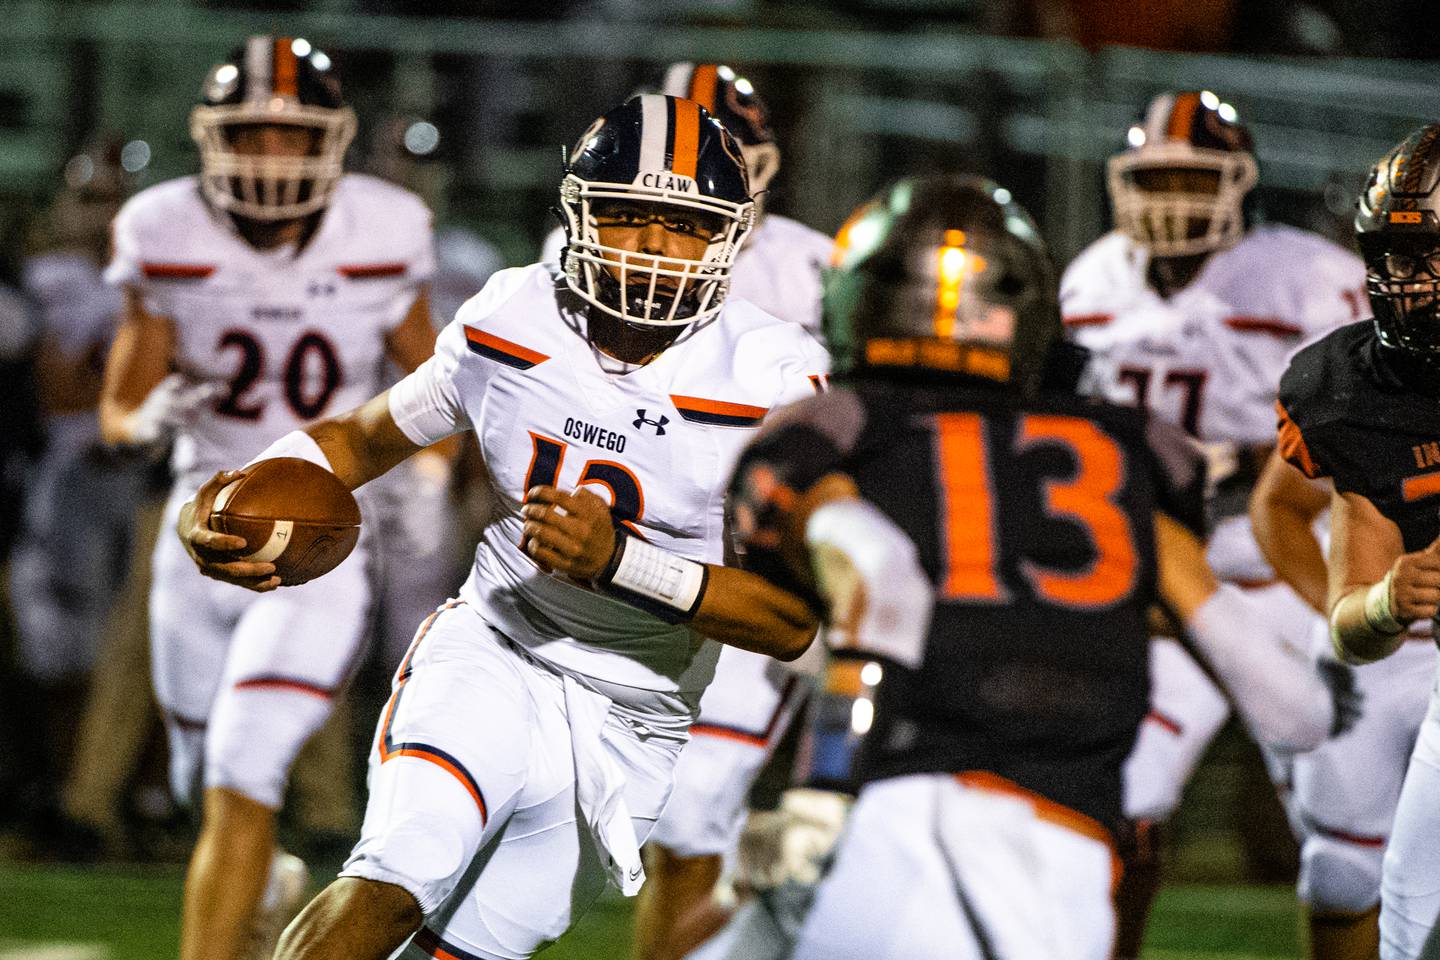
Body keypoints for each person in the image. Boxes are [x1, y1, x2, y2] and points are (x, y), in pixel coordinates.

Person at [179, 93, 827, 960]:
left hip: (638, 710)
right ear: (579, 214)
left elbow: (791, 620)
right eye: (628, 216)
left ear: (730, 236)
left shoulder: (774, 380)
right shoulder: (515, 320)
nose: (652, 248)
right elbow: (364, 437)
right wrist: (230, 496)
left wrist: (624, 565)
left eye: (683, 225)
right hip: (496, 646)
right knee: (398, 875)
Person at [655, 172, 1337, 960]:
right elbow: (1296, 711)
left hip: (887, 824)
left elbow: (880, 583)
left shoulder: (840, 428)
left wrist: (819, 798)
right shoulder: (1124, 452)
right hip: (1064, 867)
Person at [98, 36, 437, 960]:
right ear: (211, 138)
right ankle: (274, 881)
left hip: (321, 544)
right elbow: (117, 409)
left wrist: (438, 469)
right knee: (196, 770)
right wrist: (143, 418)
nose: (271, 159)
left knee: (241, 775)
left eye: (294, 139)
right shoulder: (162, 227)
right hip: (197, 526)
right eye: (252, 134)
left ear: (334, 143)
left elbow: (440, 376)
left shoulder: (386, 227)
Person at [1060, 89, 1367, 957]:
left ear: (1241, 183)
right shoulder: (1090, 281)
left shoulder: (1308, 276)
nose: (1173, 202)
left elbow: (1363, 423)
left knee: (1348, 854)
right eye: (1156, 180)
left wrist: (1241, 458)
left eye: (1196, 180)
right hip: (1163, 581)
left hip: (1287, 575)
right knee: (1112, 816)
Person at [597, 63, 834, 960]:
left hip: (756, 568)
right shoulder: (574, 261)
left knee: (690, 813)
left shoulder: (822, 264)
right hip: (626, 556)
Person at [1276, 122, 1440, 960]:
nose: (1399, 284)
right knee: (1401, 929)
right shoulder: (1355, 391)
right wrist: (1389, 602)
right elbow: (1351, 615)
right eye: (1391, 257)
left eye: (1424, 258)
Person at [1250, 447, 1432, 960]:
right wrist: (1346, 609)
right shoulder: (1360, 389)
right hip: (1368, 660)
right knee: (1340, 872)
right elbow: (1277, 507)